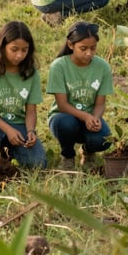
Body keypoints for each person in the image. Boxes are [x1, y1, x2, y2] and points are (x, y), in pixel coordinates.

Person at [0, 21, 47, 168]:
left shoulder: (31, 73)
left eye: (24, 50)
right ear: (2, 46)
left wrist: (30, 131)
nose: (19, 55)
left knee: (38, 164)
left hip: (17, 123)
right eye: (14, 49)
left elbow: (31, 111)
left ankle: (9, 153)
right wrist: (8, 129)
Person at [47, 20, 113, 170]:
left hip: (88, 119)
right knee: (66, 123)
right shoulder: (59, 66)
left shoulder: (102, 67)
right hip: (63, 117)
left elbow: (100, 103)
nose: (89, 53)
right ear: (71, 45)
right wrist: (85, 117)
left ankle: (88, 152)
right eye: (83, 48)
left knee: (104, 140)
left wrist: (95, 118)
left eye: (93, 48)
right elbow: (62, 105)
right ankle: (68, 156)